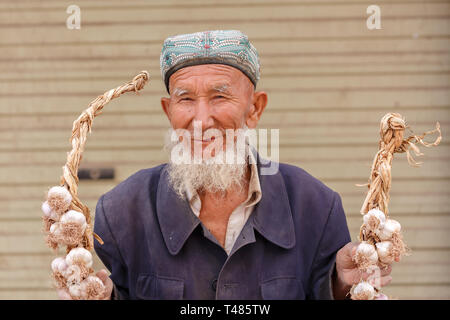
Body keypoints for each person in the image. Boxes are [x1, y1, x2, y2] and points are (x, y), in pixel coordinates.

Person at [58, 30, 393, 300]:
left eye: (220, 96)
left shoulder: (315, 205)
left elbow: (325, 290)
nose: (201, 120)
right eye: (185, 99)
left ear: (255, 109)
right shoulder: (120, 212)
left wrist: (340, 285)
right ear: (168, 111)